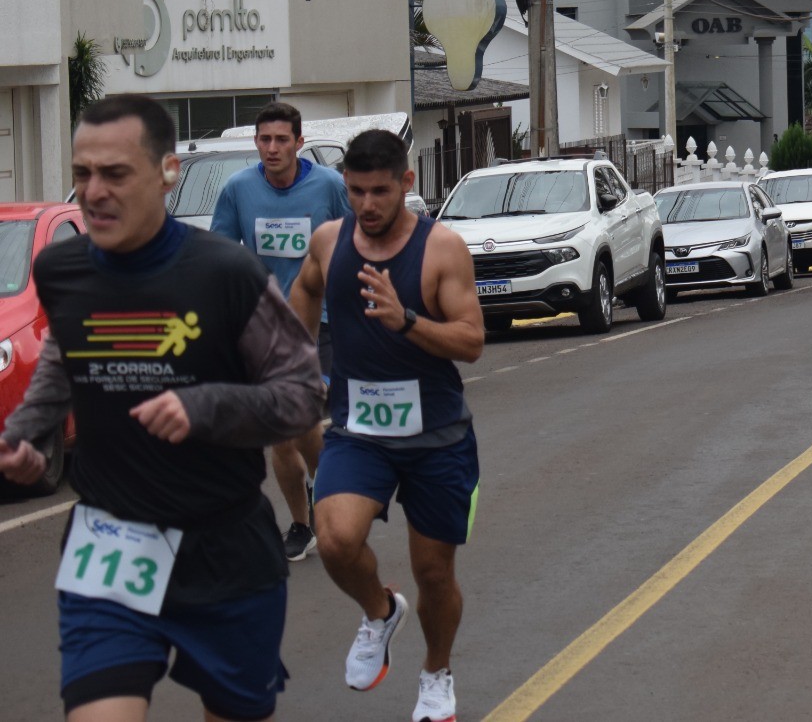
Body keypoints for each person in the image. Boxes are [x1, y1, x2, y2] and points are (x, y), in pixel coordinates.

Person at [0, 94, 323, 722]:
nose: (94, 191)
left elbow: (303, 393)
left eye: (115, 174)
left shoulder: (224, 272)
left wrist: (205, 406)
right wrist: (25, 438)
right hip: (110, 541)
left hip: (223, 546)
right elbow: (66, 364)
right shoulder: (62, 269)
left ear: (167, 172)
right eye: (83, 173)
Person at [288, 129, 484, 722]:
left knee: (433, 571)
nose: (367, 205)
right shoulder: (330, 241)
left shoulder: (441, 249)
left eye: (379, 191)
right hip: (359, 429)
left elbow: (471, 341)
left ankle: (436, 672)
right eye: (355, 192)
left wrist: (405, 321)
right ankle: (379, 611)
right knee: (336, 538)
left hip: (437, 436)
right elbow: (304, 289)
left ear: (407, 183)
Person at [211, 101, 352, 562]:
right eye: (264, 140)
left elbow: (355, 244)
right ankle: (303, 521)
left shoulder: (329, 186)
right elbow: (221, 256)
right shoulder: (238, 190)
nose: (272, 148)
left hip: (322, 322)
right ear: (256, 143)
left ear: (299, 142)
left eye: (281, 140)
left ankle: (327, 502)